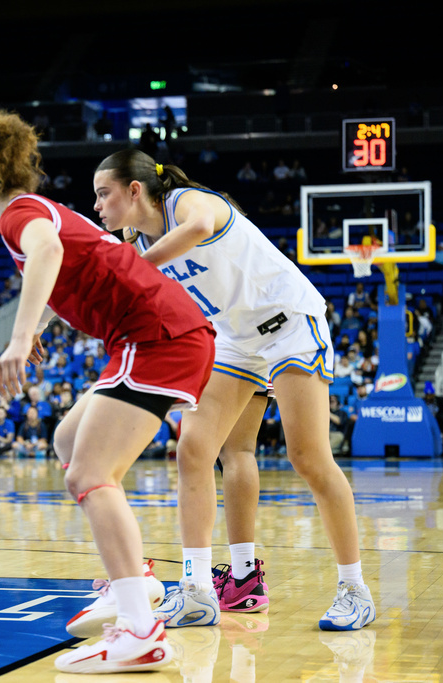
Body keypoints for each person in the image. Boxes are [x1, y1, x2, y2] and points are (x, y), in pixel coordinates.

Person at [0, 110, 216, 673]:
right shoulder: (47, 210)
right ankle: (137, 579)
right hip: (162, 332)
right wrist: (43, 326)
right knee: (69, 443)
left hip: (155, 336)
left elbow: (48, 255)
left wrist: (19, 336)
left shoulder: (17, 216)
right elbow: (81, 265)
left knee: (87, 474)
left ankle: (141, 628)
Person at [92, 148, 374, 631]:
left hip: (289, 323)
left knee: (307, 457)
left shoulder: (186, 201)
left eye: (103, 193)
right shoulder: (136, 242)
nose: (97, 205)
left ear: (134, 191)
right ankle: (208, 588)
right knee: (199, 449)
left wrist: (133, 269)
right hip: (235, 340)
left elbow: (201, 228)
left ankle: (355, 589)